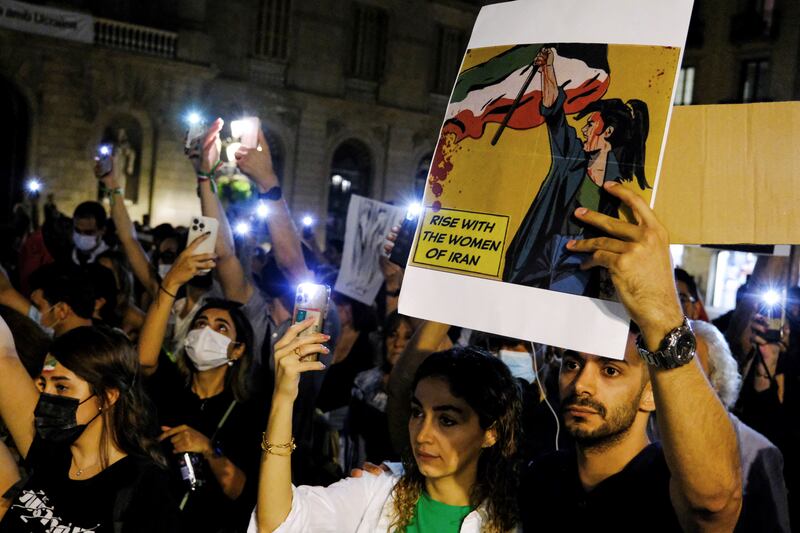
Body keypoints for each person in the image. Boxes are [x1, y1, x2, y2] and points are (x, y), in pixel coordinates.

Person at [516, 181, 742, 531]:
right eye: (573, 363)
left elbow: (715, 503)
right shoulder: (541, 477)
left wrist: (661, 307)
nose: (582, 384)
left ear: (652, 393)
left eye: (610, 370)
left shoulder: (670, 485)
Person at [250, 324, 522, 533]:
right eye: (417, 412)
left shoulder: (518, 515)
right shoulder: (378, 491)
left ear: (491, 432)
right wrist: (283, 398)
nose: (423, 435)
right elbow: (279, 522)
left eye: (447, 420)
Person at [0, 317, 180, 531]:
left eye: (62, 388)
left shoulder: (143, 488)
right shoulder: (48, 450)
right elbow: (3, 355)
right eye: (43, 384)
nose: (45, 397)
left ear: (107, 397)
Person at [138, 235, 266, 532]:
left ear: (237, 349)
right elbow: (145, 359)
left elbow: (240, 490)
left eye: (221, 328)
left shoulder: (249, 410)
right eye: (200, 324)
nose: (206, 331)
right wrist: (170, 284)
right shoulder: (172, 387)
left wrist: (208, 449)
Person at [503, 47, 649, 297]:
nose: (583, 130)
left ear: (608, 133)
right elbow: (554, 113)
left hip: (581, 274)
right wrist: (547, 69)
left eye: (591, 125)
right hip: (538, 265)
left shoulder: (622, 191)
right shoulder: (570, 158)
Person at [690, 320, 790, 533]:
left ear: (716, 380)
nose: (674, 378)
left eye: (689, 366)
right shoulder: (646, 431)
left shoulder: (757, 452)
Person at [349, 312, 414, 465]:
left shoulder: (425, 391)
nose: (398, 344)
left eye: (408, 337)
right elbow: (351, 441)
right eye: (393, 335)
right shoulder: (364, 382)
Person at [72, 201, 109, 265]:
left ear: (102, 230)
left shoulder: (112, 261)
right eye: (77, 230)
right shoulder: (63, 257)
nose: (81, 236)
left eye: (88, 232)